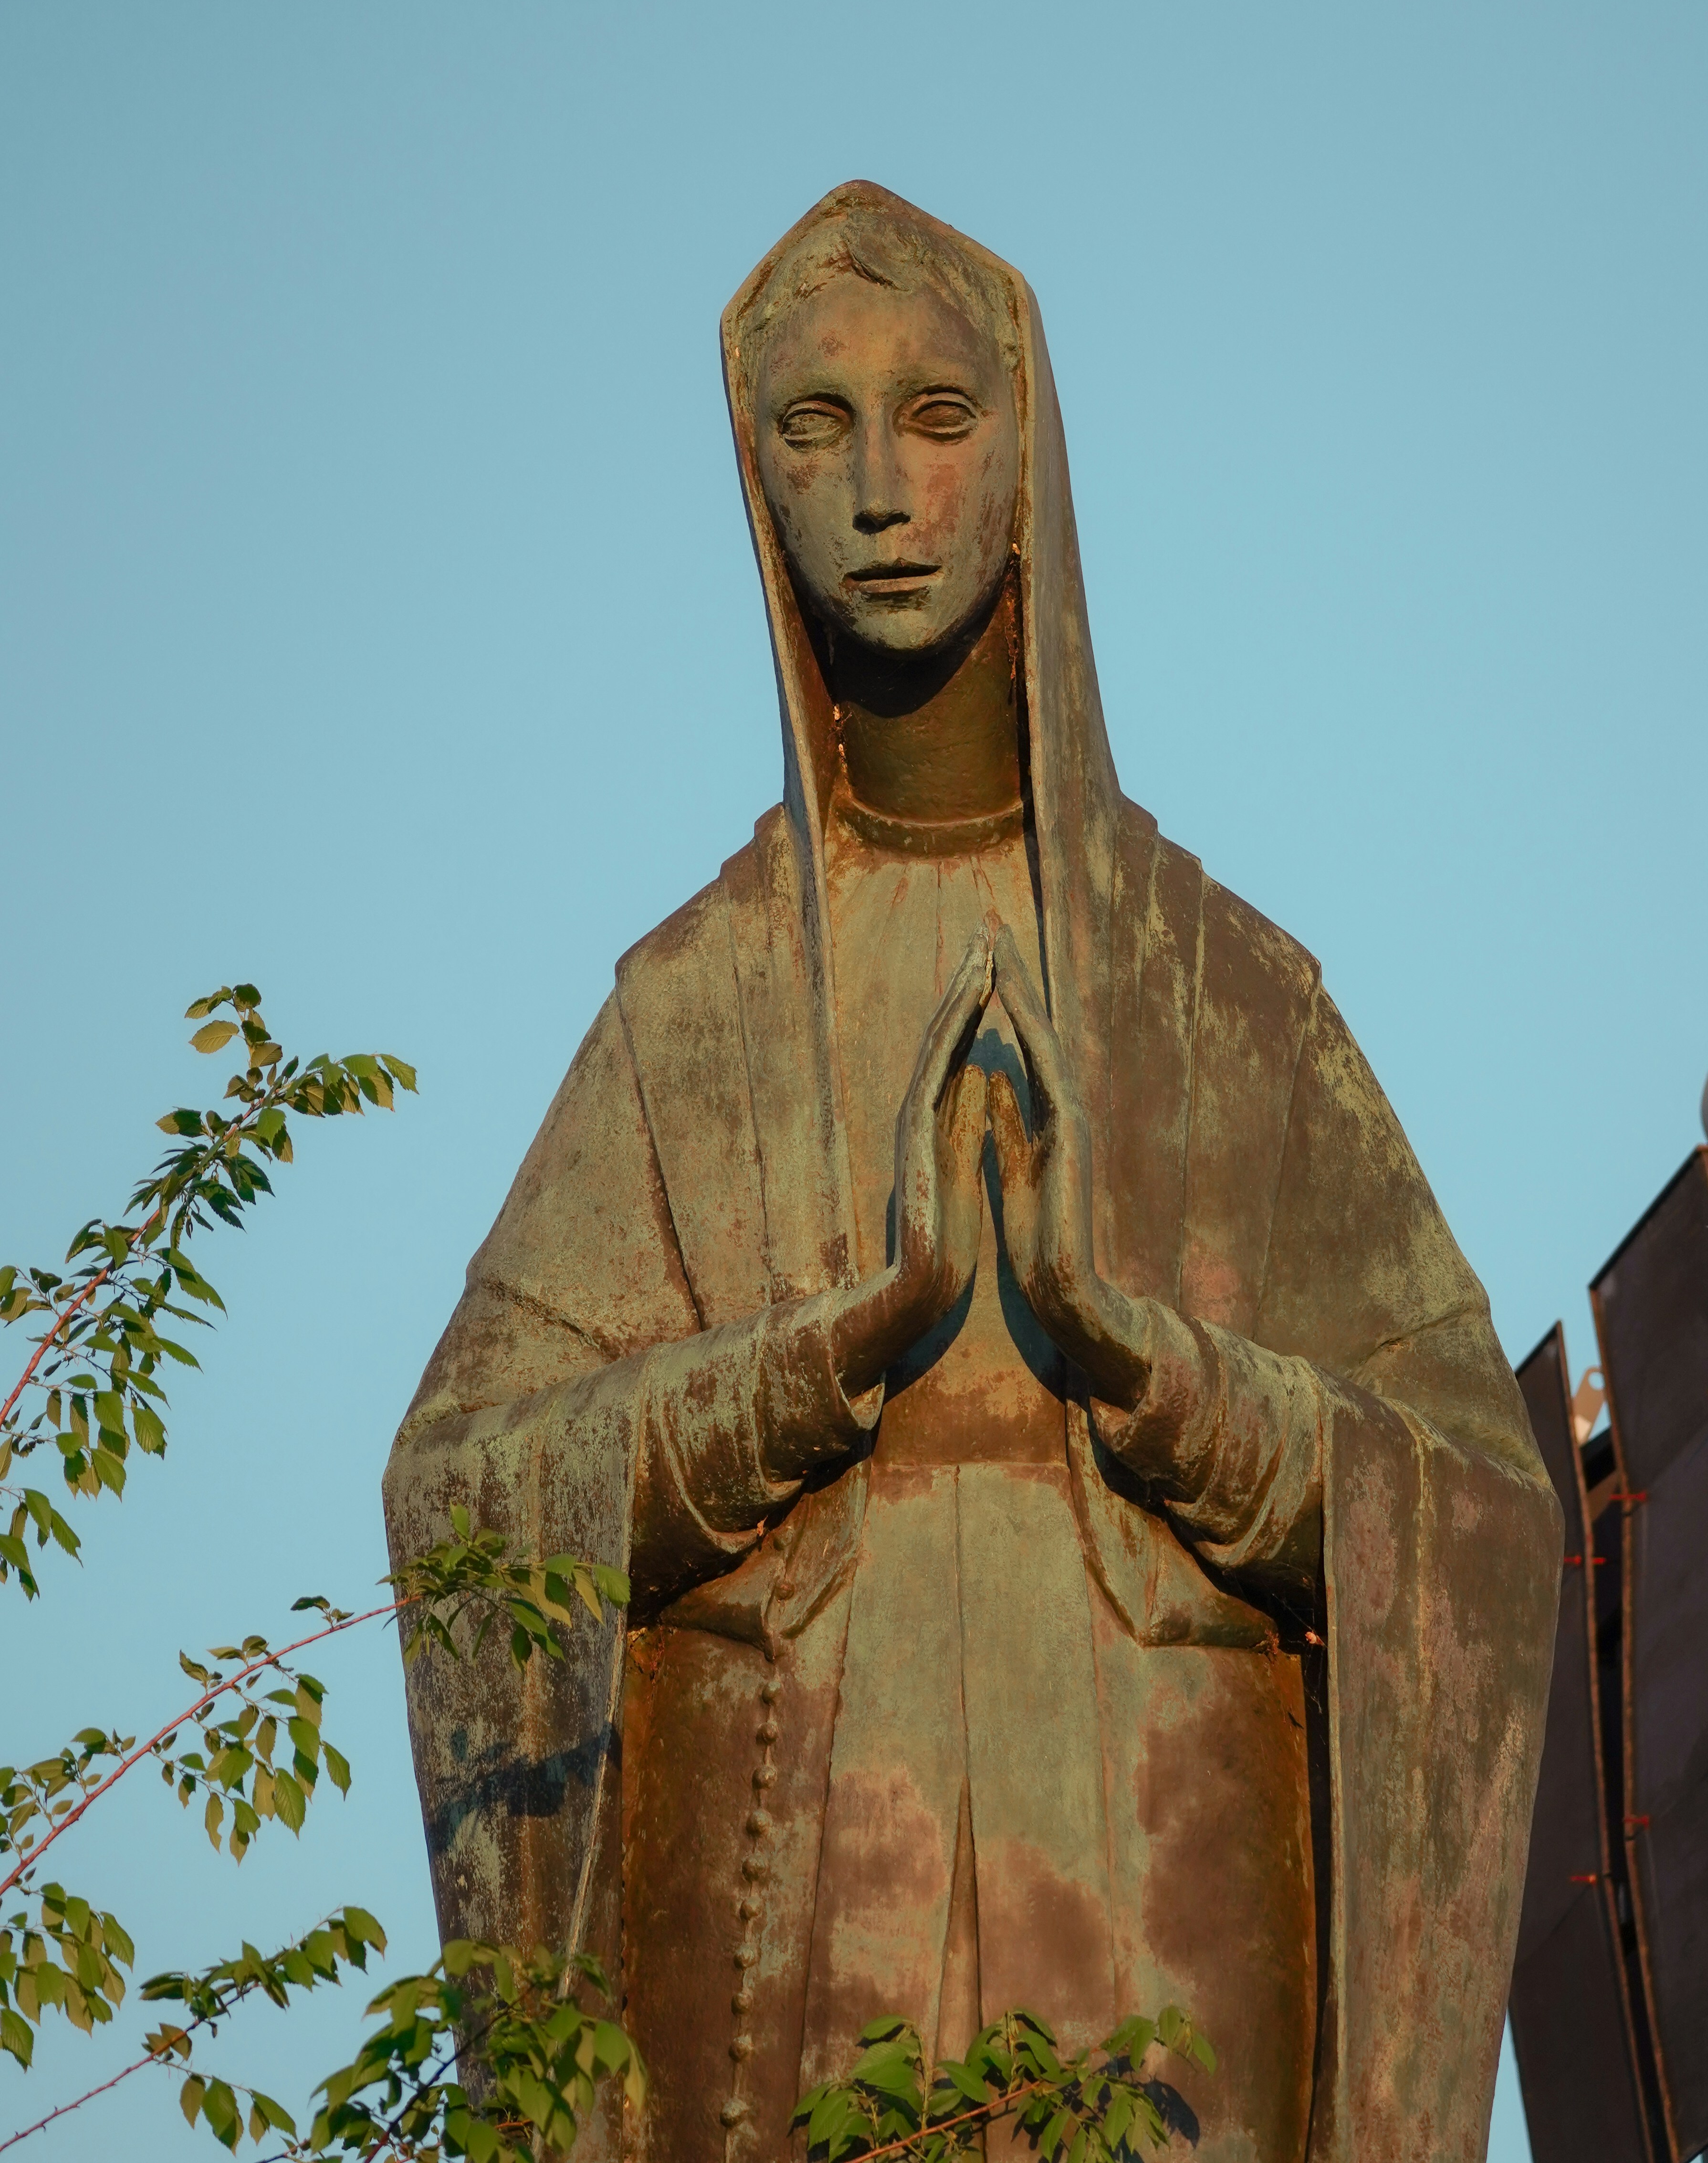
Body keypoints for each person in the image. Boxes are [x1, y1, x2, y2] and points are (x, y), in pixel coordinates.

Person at [386, 180, 1561, 2163]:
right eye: (814, 429)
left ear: (1028, 454)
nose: (881, 493)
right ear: (753, 479)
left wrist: (1163, 1372)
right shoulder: (689, 1013)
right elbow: (465, 1493)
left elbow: (1479, 1507)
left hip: (1165, 1927)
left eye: (937, 419)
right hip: (781, 1926)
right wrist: (823, 1356)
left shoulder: (1228, 995)